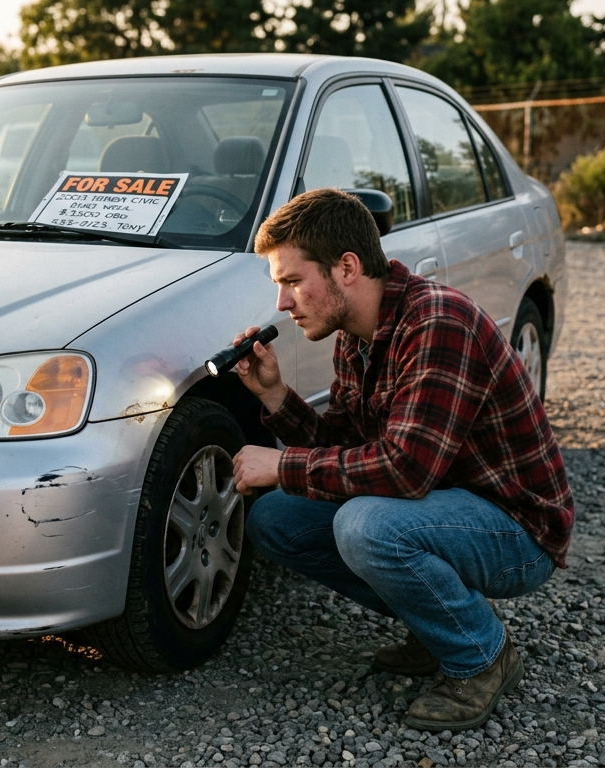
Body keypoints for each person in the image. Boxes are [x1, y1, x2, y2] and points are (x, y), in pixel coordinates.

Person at [229, 188, 574, 732]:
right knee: (276, 520)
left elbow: (403, 471)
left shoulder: (437, 323)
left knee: (365, 526)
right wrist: (274, 397)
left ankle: (481, 656)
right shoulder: (357, 337)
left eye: (292, 281)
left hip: (516, 528)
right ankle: (437, 622)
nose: (282, 303)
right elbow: (343, 451)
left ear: (347, 268)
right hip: (444, 508)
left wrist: (281, 466)